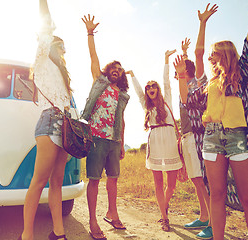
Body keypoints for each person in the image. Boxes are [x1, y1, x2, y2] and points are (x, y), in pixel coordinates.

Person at [174, 1, 248, 239]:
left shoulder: (245, 71)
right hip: (211, 139)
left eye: (213, 53)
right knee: (217, 195)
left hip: (237, 138)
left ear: (224, 53)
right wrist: (181, 73)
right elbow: (188, 96)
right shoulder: (209, 82)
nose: (209, 57)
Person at [19, 1, 73, 240]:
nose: (63, 50)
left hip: (66, 125)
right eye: (60, 45)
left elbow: (66, 103)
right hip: (49, 123)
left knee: (57, 182)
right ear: (50, 44)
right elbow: (45, 27)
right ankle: (27, 235)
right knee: (39, 181)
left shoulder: (62, 74)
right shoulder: (42, 60)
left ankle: (58, 233)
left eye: (64, 47)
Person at [81, 14, 130, 240]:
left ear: (121, 76)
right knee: (94, 179)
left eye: (120, 70)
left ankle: (112, 212)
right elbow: (93, 57)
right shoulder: (99, 82)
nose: (116, 71)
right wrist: (90, 33)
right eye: (113, 67)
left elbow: (121, 120)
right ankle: (92, 221)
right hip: (96, 139)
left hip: (113, 141)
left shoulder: (121, 95)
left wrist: (120, 143)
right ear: (108, 70)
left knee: (113, 179)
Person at [126, 49, 181, 232]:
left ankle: (163, 206)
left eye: (153, 87)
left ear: (157, 89)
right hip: (155, 143)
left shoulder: (167, 101)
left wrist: (166, 59)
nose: (150, 89)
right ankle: (164, 217)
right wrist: (133, 76)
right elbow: (138, 93)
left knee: (171, 184)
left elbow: (166, 82)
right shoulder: (146, 106)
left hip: (171, 143)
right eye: (148, 87)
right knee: (158, 182)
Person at [176, 38, 211, 239]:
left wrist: (188, 55)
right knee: (196, 179)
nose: (177, 74)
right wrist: (184, 52)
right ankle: (204, 216)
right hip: (187, 136)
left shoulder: (196, 85)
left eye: (180, 71)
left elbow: (195, 69)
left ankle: (211, 220)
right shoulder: (184, 84)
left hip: (198, 136)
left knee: (203, 179)